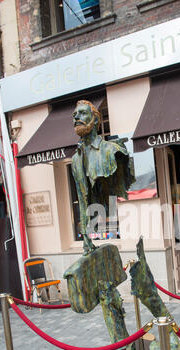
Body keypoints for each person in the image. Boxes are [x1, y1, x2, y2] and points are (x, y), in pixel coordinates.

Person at [71, 99, 135, 254]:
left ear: (96, 120)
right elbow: (82, 198)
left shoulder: (111, 150)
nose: (76, 118)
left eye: (82, 113)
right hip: (92, 228)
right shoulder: (75, 159)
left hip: (107, 210)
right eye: (74, 115)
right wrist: (86, 239)